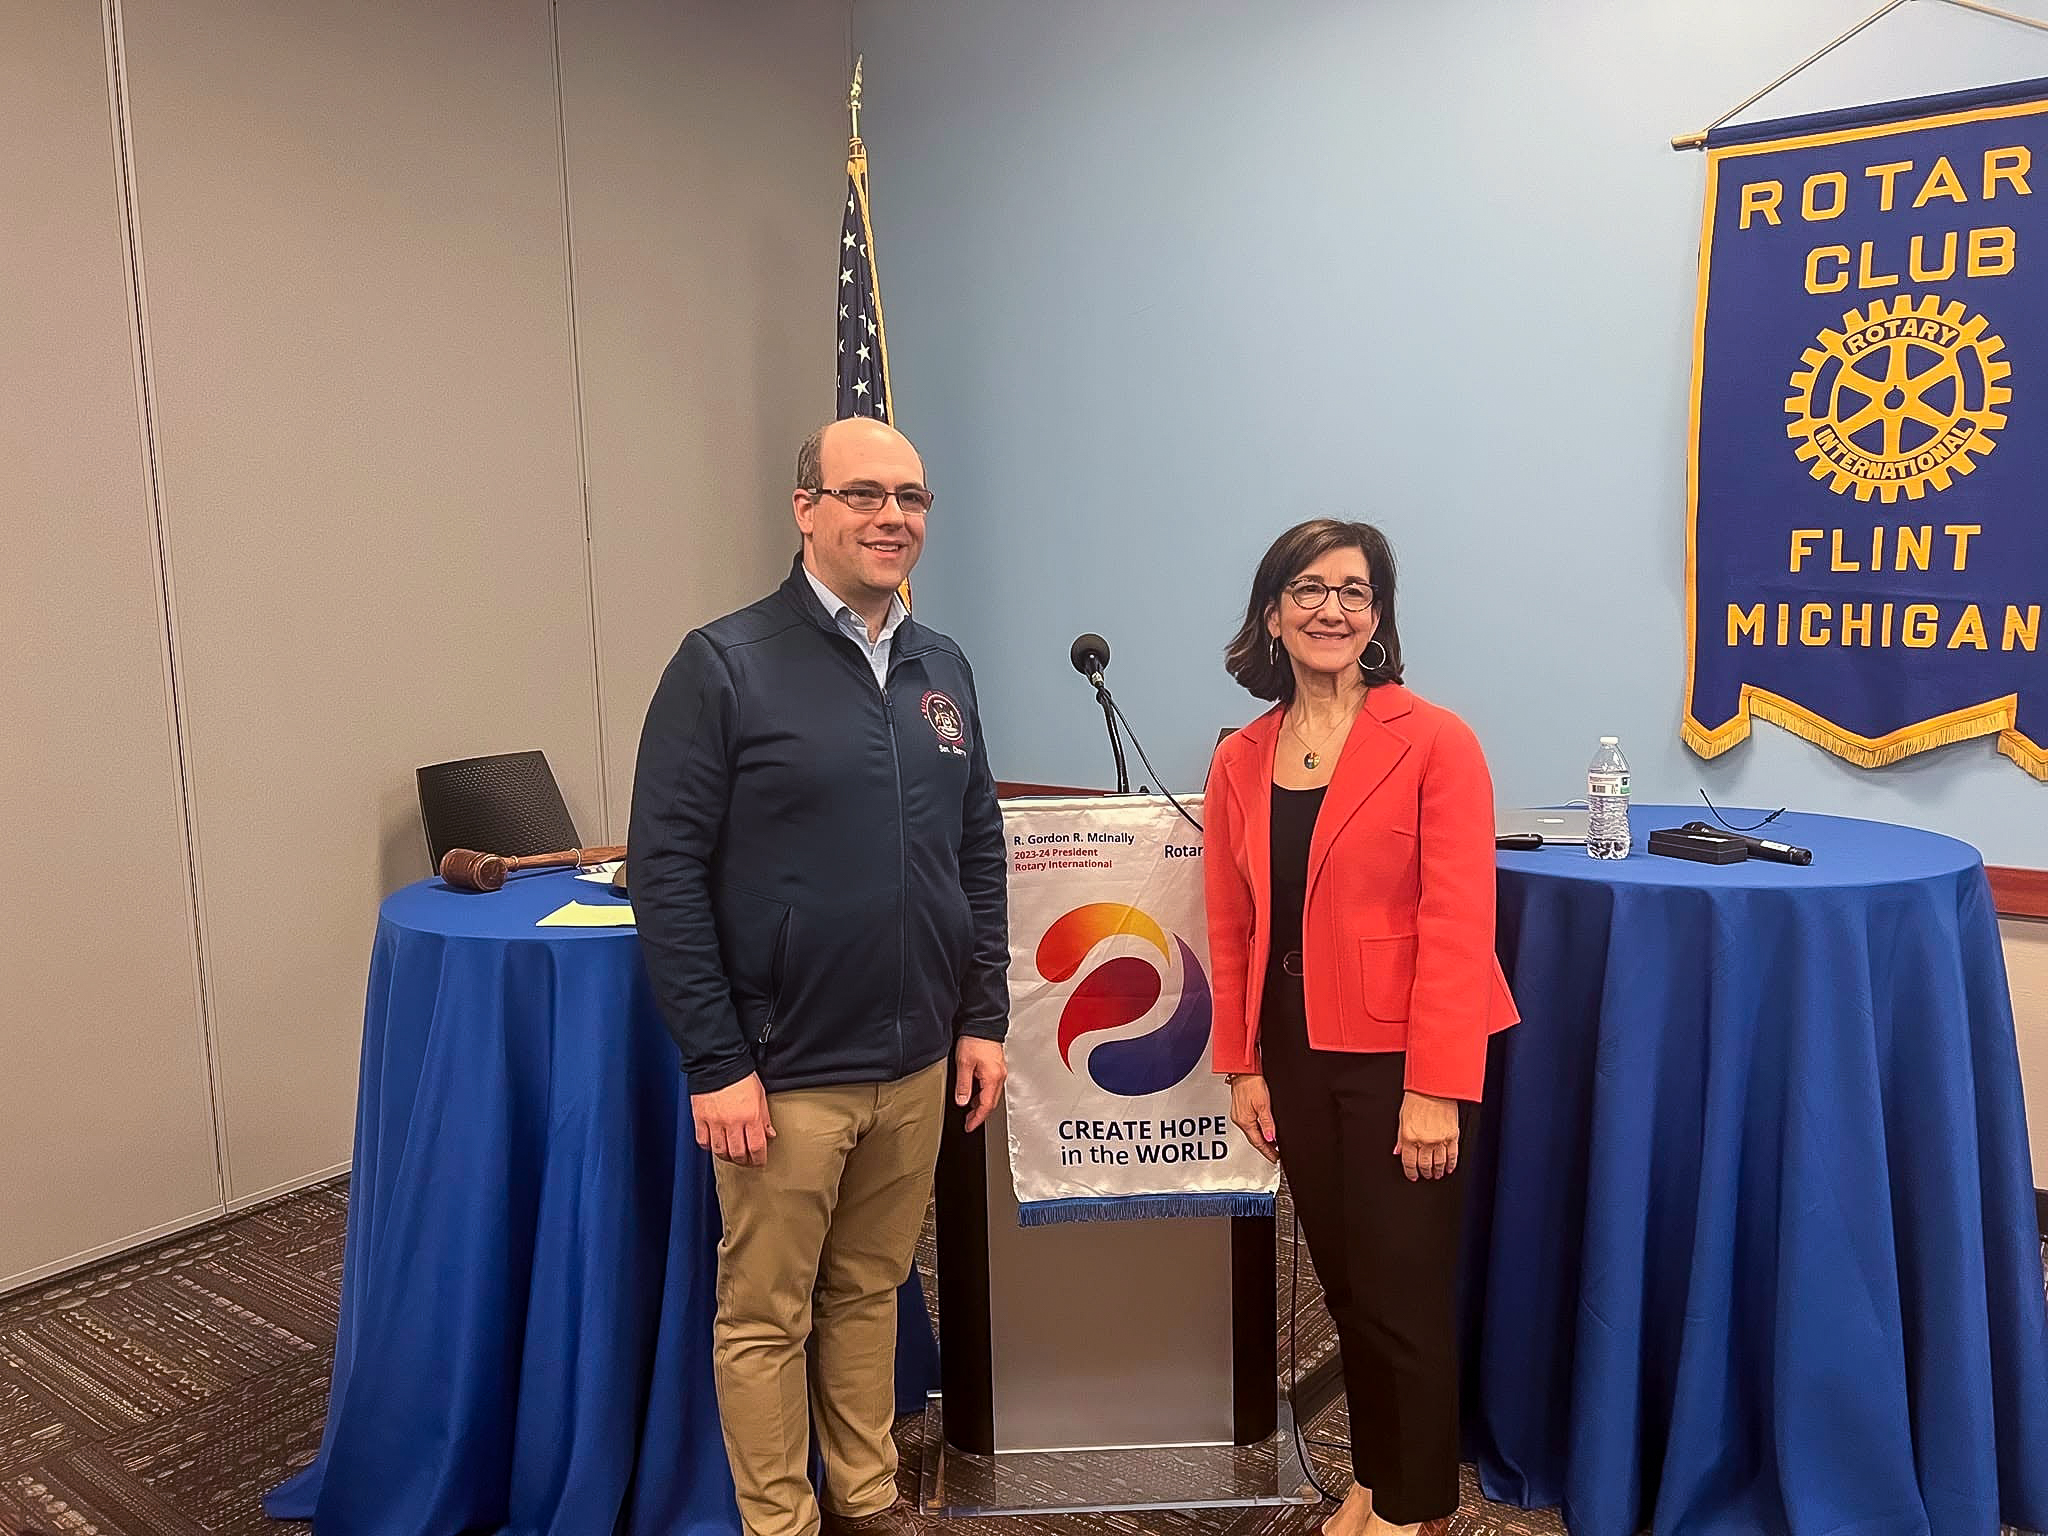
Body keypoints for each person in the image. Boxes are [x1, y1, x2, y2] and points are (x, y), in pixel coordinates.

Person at [630, 416, 1010, 1536]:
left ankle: (865, 1494)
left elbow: (975, 848)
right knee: (766, 1316)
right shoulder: (724, 663)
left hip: (917, 1058)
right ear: (806, 509)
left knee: (870, 1289)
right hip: (784, 1068)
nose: (893, 517)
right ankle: (780, 1522)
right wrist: (716, 1062)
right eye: (864, 494)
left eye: (911, 498)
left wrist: (981, 1015)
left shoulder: (943, 665)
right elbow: (666, 872)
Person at [1202, 518, 1517, 1536]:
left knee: (1400, 1296)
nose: (1330, 609)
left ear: (1377, 618)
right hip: (1293, 1051)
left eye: (1353, 591)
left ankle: (1414, 1509)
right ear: (1271, 615)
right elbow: (1231, 924)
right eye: (1307, 589)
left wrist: (1435, 1086)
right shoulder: (1240, 757)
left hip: (1401, 1060)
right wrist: (1242, 1065)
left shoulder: (1434, 740)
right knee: (1344, 1288)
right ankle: (1377, 1479)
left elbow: (1458, 922)